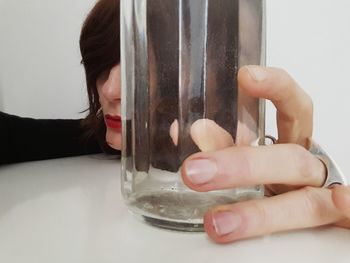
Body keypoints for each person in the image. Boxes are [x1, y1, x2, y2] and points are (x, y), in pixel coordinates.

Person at [0, 0, 349, 243]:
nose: (109, 88)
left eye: (142, 60)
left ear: (213, 72)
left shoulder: (228, 152)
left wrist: (319, 176)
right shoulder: (84, 146)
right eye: (100, 64)